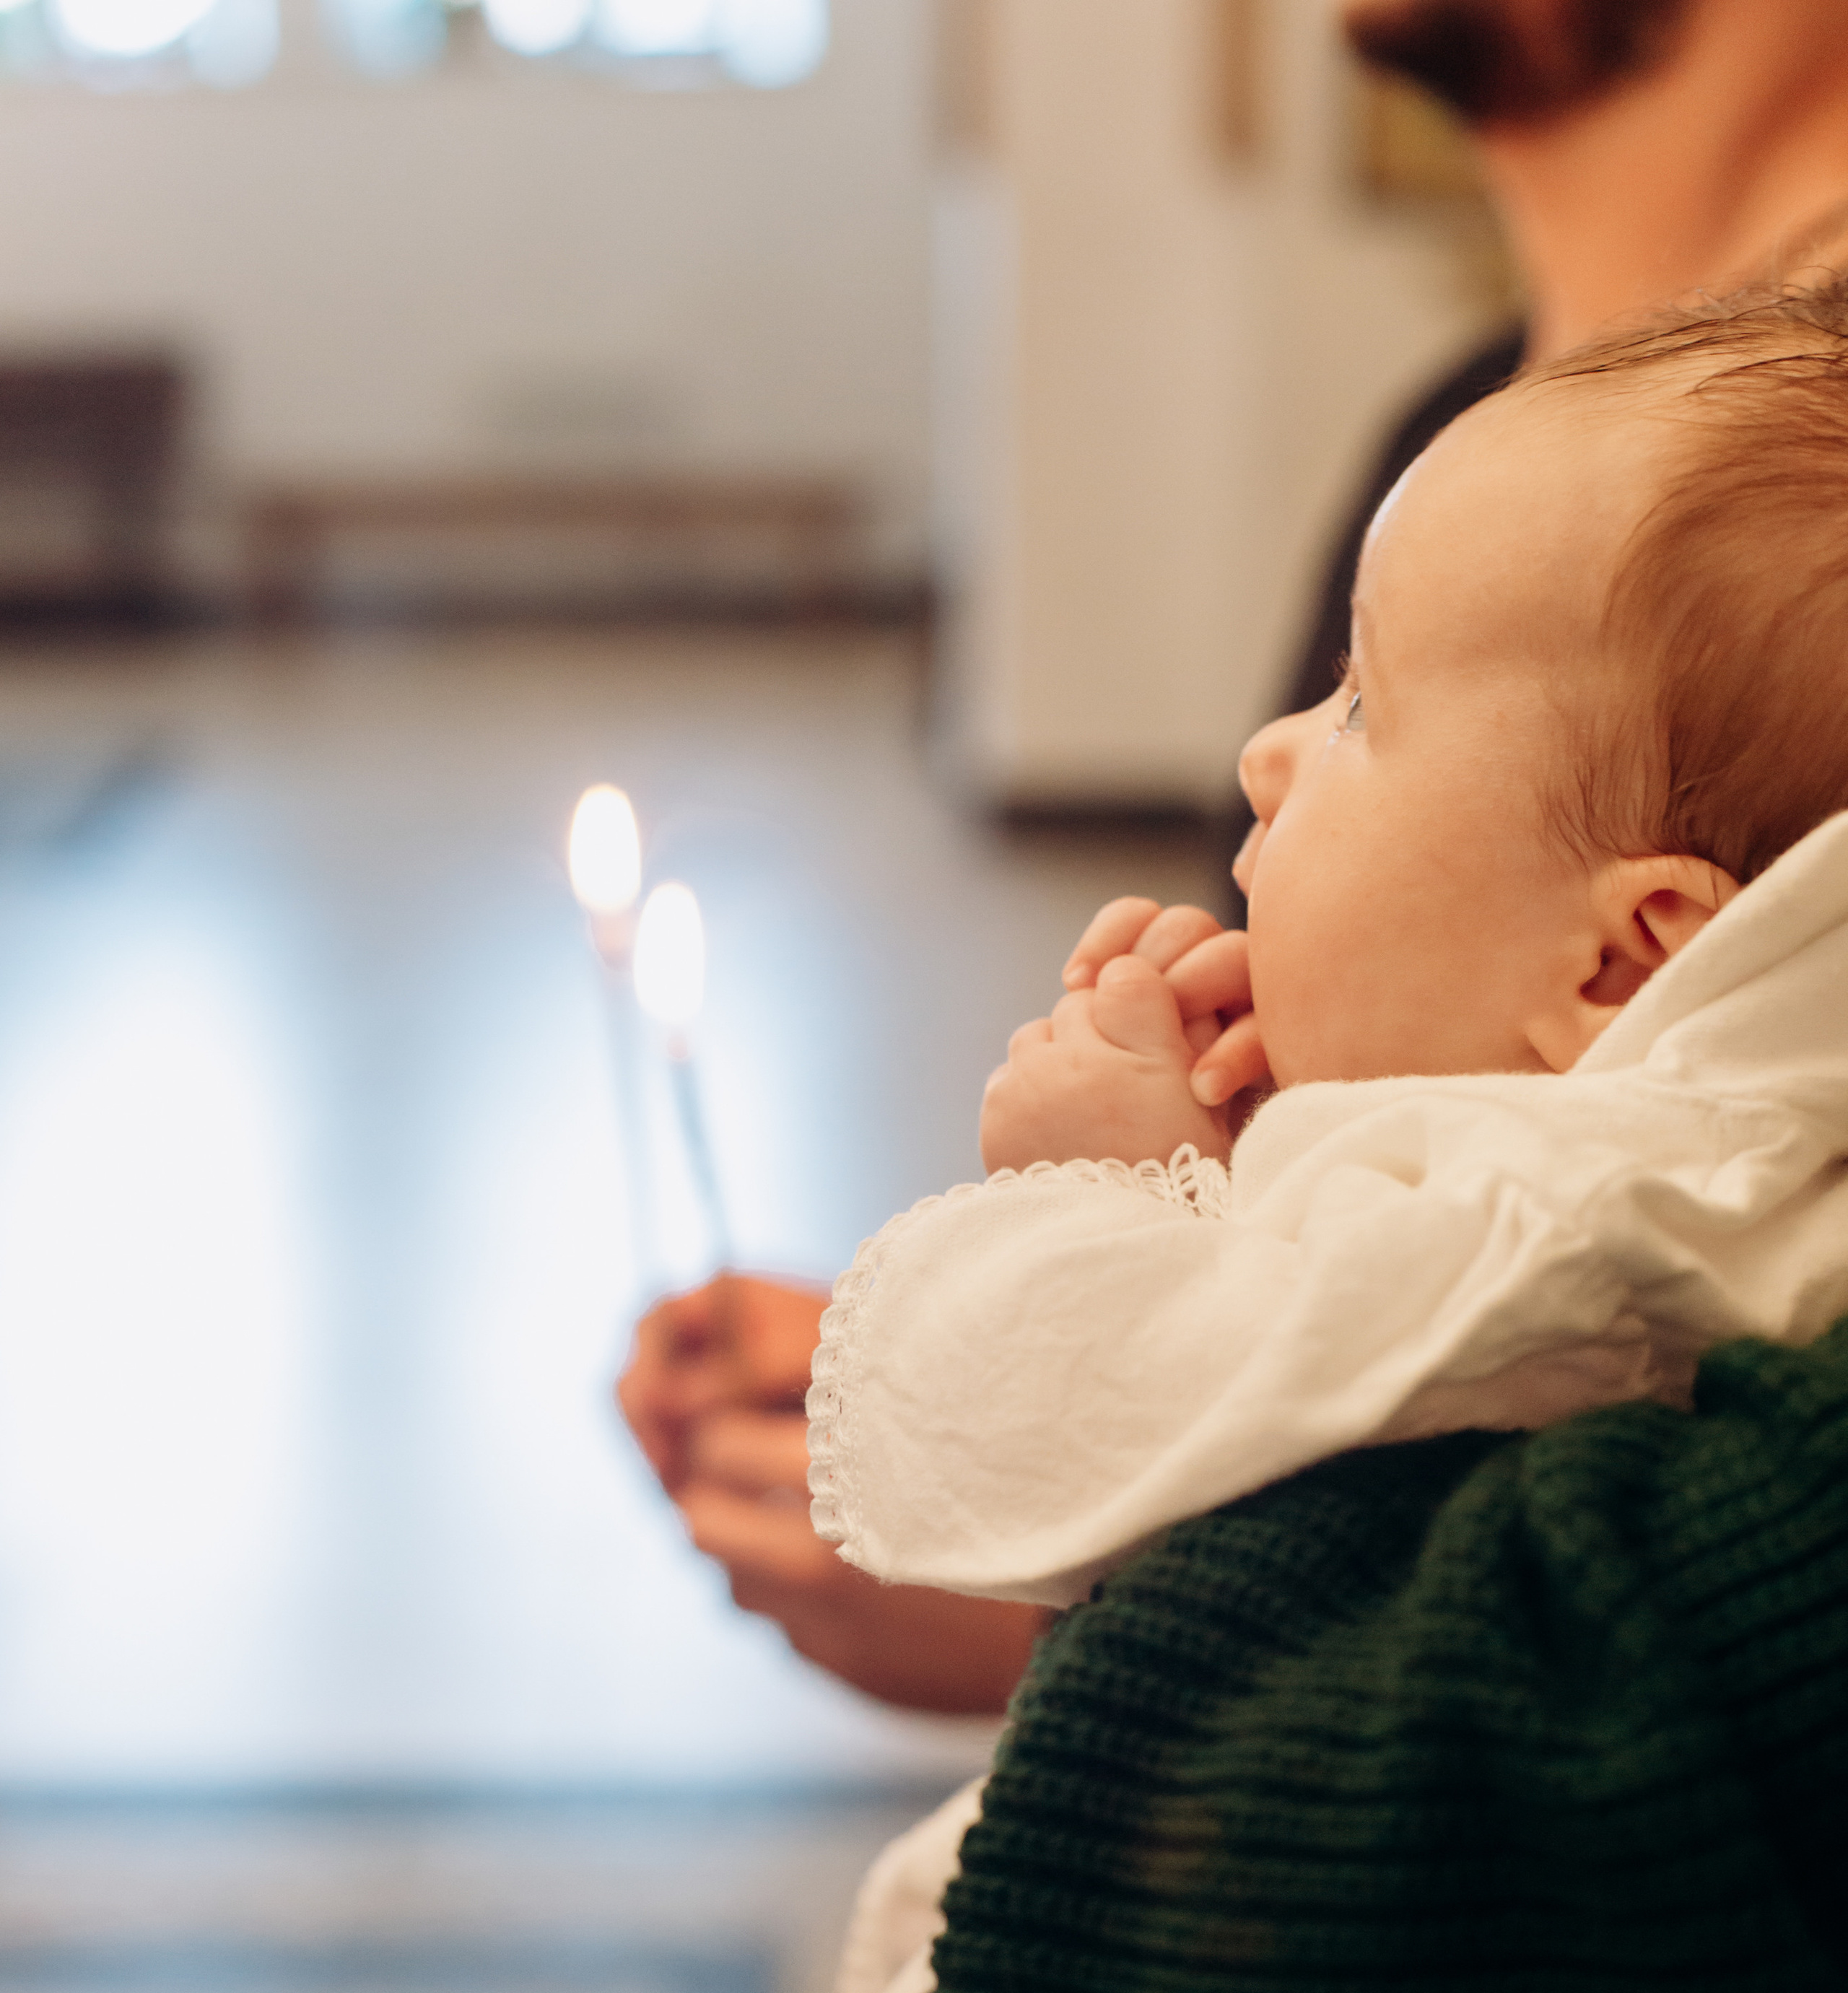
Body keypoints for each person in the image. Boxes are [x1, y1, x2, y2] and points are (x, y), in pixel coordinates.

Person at [666, 274, 1848, 1993]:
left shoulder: (1521, 1203)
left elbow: (1016, 1444)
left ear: (1626, 954)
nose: (1267, 747)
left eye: (1367, 702)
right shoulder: (1706, 1166)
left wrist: (1097, 1199)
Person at [616, 0, 1848, 1716]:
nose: (1281, 760)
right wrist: (1000, 1381)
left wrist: (1083, 1540)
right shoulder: (1452, 424)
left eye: (1366, 705)